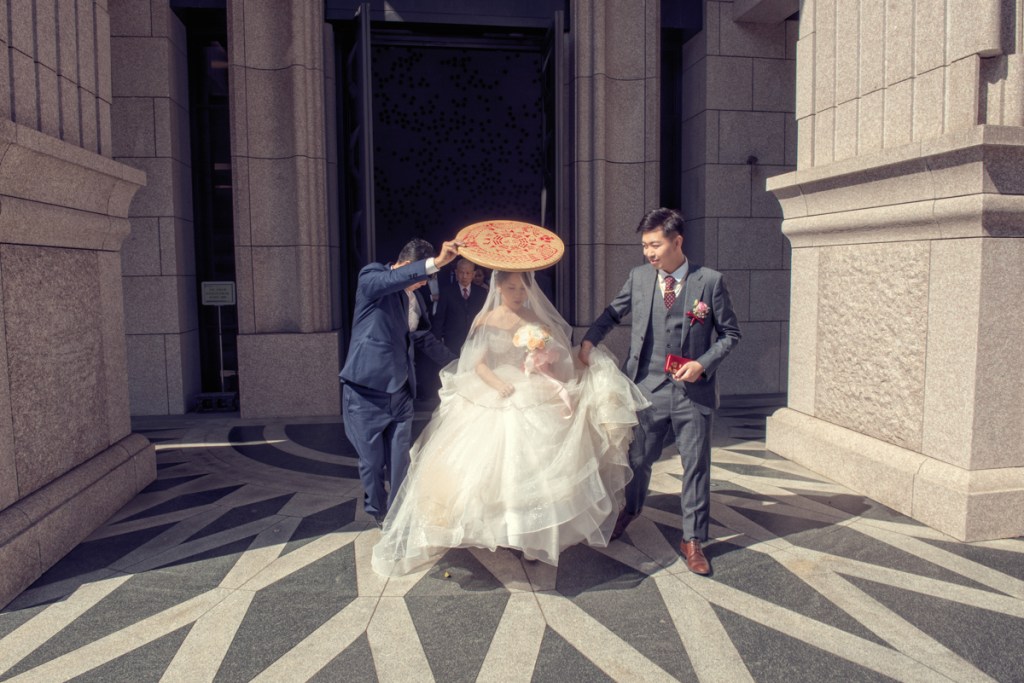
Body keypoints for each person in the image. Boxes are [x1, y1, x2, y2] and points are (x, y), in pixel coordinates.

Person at [372, 269, 649, 576]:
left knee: (536, 466)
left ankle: (531, 536)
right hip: (494, 390)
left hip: (531, 388)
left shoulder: (535, 319)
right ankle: (501, 528)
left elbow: (555, 357)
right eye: (512, 288)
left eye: (523, 288)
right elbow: (477, 364)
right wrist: (498, 384)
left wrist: (542, 357)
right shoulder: (485, 320)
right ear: (499, 288)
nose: (519, 294)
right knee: (492, 467)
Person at [579, 208, 741, 576]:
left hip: (693, 393)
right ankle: (631, 510)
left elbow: (731, 334)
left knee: (696, 465)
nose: (648, 253)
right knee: (638, 460)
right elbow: (612, 313)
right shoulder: (639, 278)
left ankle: (693, 539)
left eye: (655, 245)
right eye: (645, 246)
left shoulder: (709, 282)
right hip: (646, 388)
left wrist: (703, 363)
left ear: (676, 241)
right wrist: (589, 340)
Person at [340, 237, 461, 527]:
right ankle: (377, 510)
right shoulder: (372, 278)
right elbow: (389, 281)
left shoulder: (415, 300)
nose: (424, 283)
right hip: (365, 393)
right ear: (406, 265)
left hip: (402, 392)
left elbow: (423, 338)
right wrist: (436, 263)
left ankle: (396, 516)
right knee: (372, 463)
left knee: (400, 461)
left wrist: (459, 364)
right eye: (422, 276)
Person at [433, 257, 488, 355]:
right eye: (461, 273)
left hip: (474, 341)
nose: (464, 276)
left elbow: (485, 318)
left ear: (473, 274)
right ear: (456, 273)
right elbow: (439, 319)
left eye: (468, 273)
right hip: (452, 343)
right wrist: (438, 343)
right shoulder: (447, 292)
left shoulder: (482, 293)